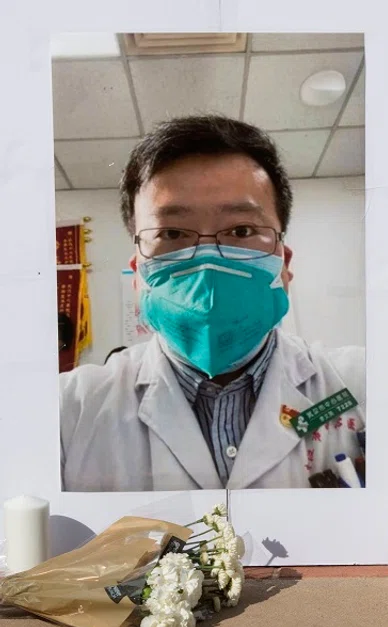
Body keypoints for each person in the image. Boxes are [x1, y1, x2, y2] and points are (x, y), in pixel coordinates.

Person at [59, 115, 365, 491]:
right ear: (139, 274)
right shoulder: (67, 412)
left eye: (241, 230)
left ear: (283, 265)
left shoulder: (368, 384)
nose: (207, 260)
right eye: (171, 233)